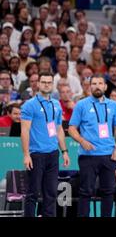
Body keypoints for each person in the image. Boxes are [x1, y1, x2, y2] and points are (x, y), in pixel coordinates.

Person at [68, 73, 116, 217]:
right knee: (85, 191)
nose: (97, 86)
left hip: (108, 155)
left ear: (105, 86)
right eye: (94, 84)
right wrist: (82, 141)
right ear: (89, 87)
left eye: (100, 83)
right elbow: (72, 128)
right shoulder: (81, 105)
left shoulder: (113, 105)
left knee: (108, 191)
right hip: (88, 156)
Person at [20, 72, 70, 217]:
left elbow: (59, 129)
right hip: (36, 154)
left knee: (51, 194)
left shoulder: (56, 104)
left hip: (53, 154)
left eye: (49, 82)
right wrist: (26, 154)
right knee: (33, 193)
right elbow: (25, 130)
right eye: (44, 82)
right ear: (38, 84)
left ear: (53, 84)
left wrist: (65, 151)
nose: (46, 84)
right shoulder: (29, 105)